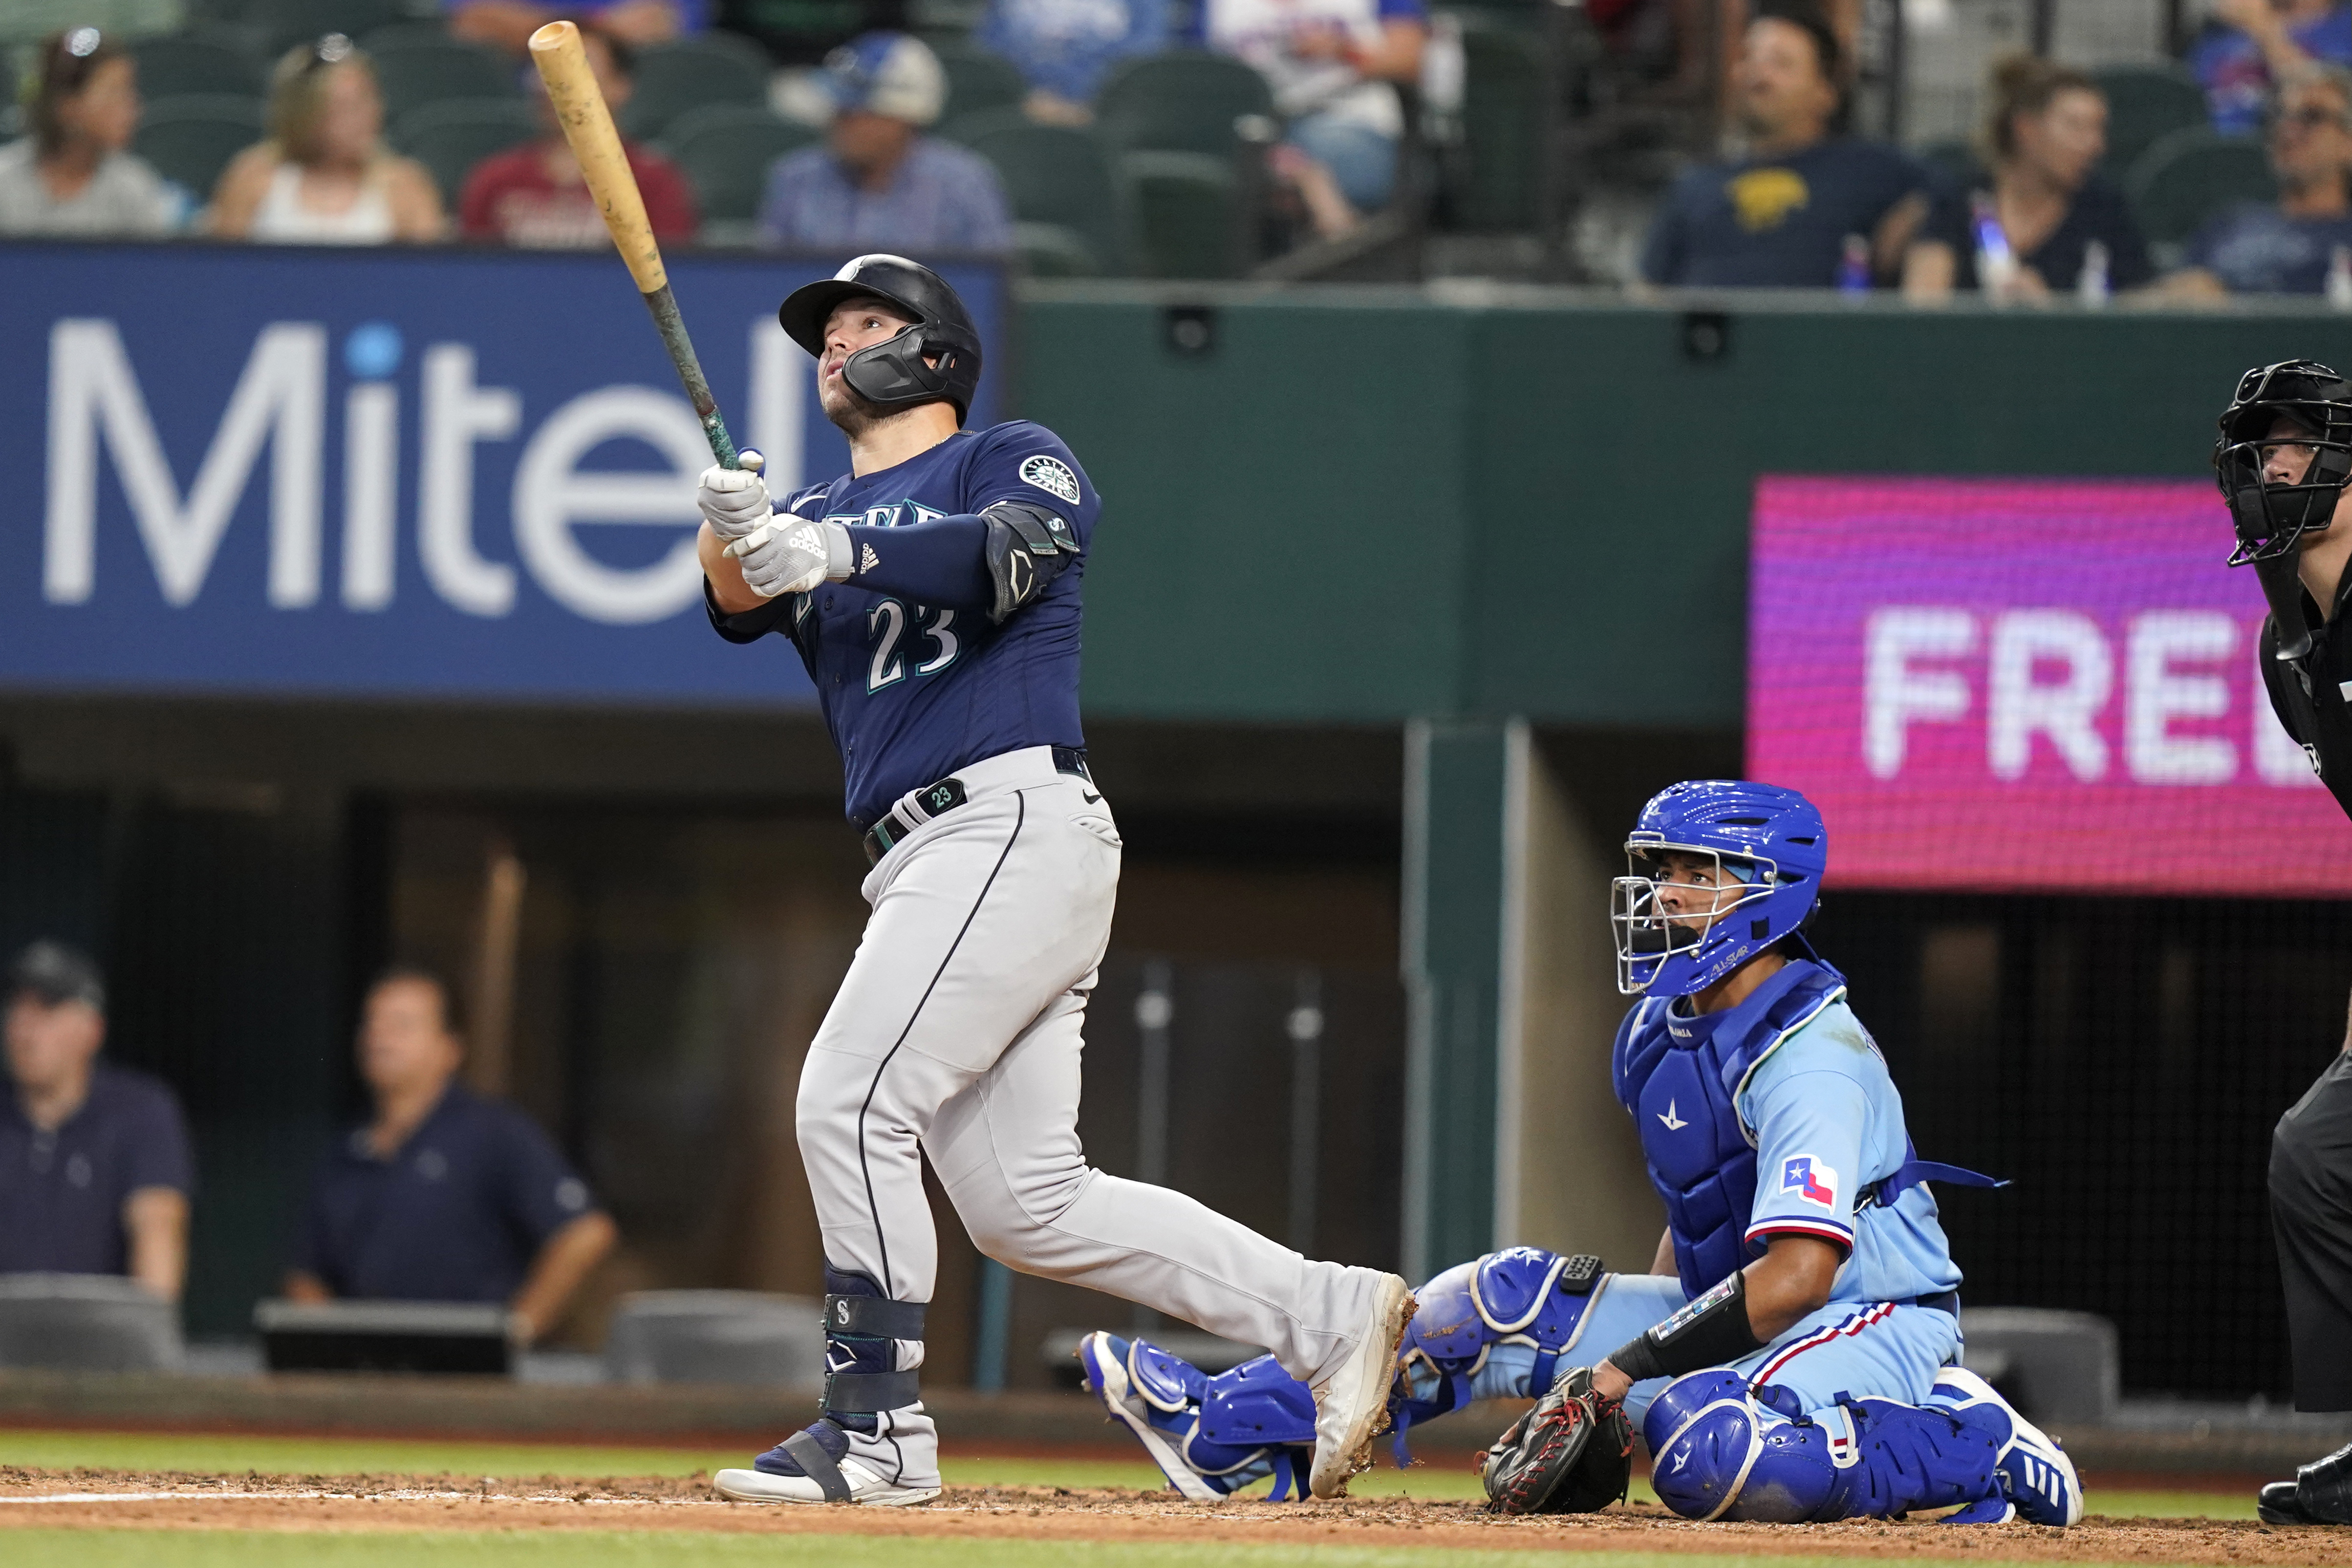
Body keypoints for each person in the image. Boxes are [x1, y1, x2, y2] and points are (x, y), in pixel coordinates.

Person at [689, 254, 1412, 1506]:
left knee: (848, 1098)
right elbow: (736, 599)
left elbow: (1007, 557)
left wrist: (827, 544)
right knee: (1028, 1202)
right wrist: (733, 525)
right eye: (827, 329)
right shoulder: (810, 506)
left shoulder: (1005, 452)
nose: (835, 343)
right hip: (931, 854)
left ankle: (874, 1428)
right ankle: (1332, 1312)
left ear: (932, 351)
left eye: (866, 322)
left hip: (1007, 819)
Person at [1078, 781, 2084, 1527]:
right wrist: (1638, 1354)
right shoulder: (1661, 1028)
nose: (1666, 895)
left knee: (1705, 1452)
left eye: (1700, 875)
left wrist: (1626, 1377)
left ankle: (1969, 1440)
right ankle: (1238, 1429)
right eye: (1664, 871)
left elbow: (1796, 1272)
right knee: (1498, 1297)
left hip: (1867, 1314)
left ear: (1770, 895)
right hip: (1762, 1305)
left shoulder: (1811, 1054)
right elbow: (1701, 1217)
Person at [2211, 362, 2352, 1525]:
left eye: (2298, 445)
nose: (2273, 467)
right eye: (2261, 450)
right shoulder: (2287, 649)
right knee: (2316, 1151)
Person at [283, 966, 617, 1346]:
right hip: (369, 1372)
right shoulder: (346, 1150)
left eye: (402, 1024)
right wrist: (328, 1342)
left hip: (467, 1374)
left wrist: (516, 1329)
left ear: (449, 1048)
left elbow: (585, 1232)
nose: (380, 1036)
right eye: (372, 1022)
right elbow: (307, 1272)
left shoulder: (491, 1131)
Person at [1638, 5, 1926, 290]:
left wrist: (1917, 227)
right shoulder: (1695, 186)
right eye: (1747, 57)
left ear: (1825, 93)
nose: (1758, 72)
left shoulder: (1871, 171)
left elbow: (1947, 196)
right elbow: (1645, 301)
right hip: (1712, 333)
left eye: (1781, 63)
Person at [0, 941, 192, 1300]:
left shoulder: (140, 1110)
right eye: (17, 1008)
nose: (24, 1026)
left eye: (46, 1009)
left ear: (91, 1029)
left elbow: (158, 1230)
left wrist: (147, 1343)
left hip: (98, 1346)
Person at [1904, 54, 2149, 301]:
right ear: (2026, 129)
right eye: (2077, 127)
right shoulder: (1957, 201)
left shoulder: (2104, 208)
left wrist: (2050, 318)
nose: (2095, 145)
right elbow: (1924, 306)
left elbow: (2141, 302)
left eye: (2099, 129)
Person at [756, 33, 1013, 255]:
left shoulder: (964, 184)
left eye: (860, 113)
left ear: (904, 118)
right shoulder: (795, 178)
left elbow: (986, 293)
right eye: (840, 111)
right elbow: (768, 284)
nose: (842, 123)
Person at [1195, 0, 1428, 236]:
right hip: (1251, 123)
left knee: (1317, 144)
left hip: (1346, 120)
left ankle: (1303, 185)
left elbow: (1408, 62)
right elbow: (1190, 74)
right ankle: (1311, 194)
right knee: (1242, 148)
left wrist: (1343, 49)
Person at [459, 24, 696, 247]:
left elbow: (675, 271)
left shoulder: (652, 181)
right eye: (545, 68)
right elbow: (472, 273)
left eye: (574, 68)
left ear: (620, 86)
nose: (553, 84)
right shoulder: (495, 179)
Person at [210, 34, 444, 244]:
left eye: (369, 101)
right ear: (305, 114)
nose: (366, 117)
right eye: (346, 108)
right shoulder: (253, 178)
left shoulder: (406, 186)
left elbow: (429, 280)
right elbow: (221, 273)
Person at [2167, 71, 2352, 298]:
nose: (2289, 129)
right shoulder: (2228, 226)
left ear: (2348, 143)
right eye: (2279, 115)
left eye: (2312, 117)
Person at [0, 27, 179, 237]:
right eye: (116, 93)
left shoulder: (136, 188)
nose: (134, 108)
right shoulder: (5, 181)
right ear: (68, 106)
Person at [974, 0, 1165, 124]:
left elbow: (1143, 58)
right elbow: (991, 51)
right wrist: (1026, 97)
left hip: (1108, 116)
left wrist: (1085, 101)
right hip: (1019, 112)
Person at [2192, 0, 2352, 137]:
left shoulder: (2343, 30)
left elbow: (2315, 93)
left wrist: (2262, 26)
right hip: (2200, 148)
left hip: (2275, 153)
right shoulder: (2223, 33)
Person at [448, 0, 705, 56]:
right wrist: (602, 27)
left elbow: (661, 22)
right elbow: (474, 21)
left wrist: (535, 28)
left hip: (631, 98)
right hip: (513, 94)